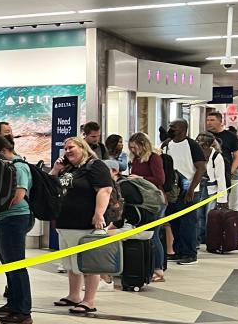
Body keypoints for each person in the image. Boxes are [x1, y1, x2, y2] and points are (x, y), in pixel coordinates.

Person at [50, 136, 114, 314]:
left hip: (85, 223)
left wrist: (99, 213)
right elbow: (49, 185)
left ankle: (89, 300)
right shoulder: (68, 168)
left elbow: (105, 189)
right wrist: (56, 169)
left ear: (82, 148)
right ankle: (74, 295)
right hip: (65, 223)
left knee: (88, 263)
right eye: (65, 148)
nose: (67, 151)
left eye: (71, 147)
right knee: (71, 263)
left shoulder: (95, 166)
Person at [0, 135, 34, 323]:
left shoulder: (19, 167)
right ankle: (14, 303)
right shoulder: (8, 166)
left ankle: (23, 310)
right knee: (9, 264)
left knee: (17, 264)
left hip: (15, 218)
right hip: (5, 218)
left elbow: (18, 196)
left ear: (3, 151)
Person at [162, 120, 206, 265]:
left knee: (188, 223)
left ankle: (190, 253)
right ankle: (178, 250)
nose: (170, 129)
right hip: (173, 189)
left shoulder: (193, 145)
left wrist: (192, 189)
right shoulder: (167, 144)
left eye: (173, 127)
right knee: (175, 222)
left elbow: (201, 168)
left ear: (182, 129)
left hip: (189, 189)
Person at [128, 132, 167, 283]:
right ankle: (150, 267)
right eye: (130, 148)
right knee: (146, 235)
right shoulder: (136, 159)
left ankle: (158, 269)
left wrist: (140, 178)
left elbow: (160, 179)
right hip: (142, 201)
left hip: (155, 201)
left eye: (135, 147)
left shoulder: (154, 158)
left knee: (154, 235)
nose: (132, 150)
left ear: (143, 145)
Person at [205, 111, 238, 211]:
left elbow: (237, 155)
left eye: (212, 120)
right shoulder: (205, 136)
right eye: (208, 120)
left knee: (222, 204)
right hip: (208, 174)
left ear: (220, 121)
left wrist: (230, 171)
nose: (209, 122)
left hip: (224, 174)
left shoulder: (230, 136)